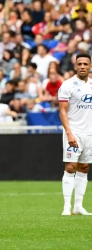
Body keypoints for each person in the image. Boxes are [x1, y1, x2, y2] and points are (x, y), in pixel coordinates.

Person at [58, 52, 92, 216]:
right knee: (71, 167)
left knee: (84, 167)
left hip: (90, 134)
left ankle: (78, 206)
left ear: (90, 66)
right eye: (80, 64)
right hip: (74, 132)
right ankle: (66, 206)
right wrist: (69, 133)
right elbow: (62, 112)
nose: (83, 67)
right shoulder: (67, 85)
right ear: (75, 66)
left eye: (86, 64)